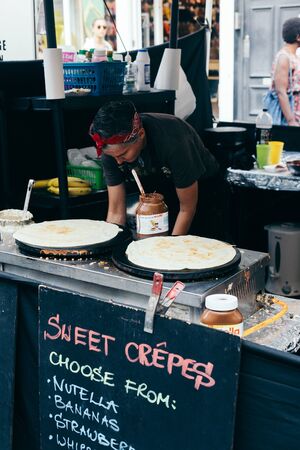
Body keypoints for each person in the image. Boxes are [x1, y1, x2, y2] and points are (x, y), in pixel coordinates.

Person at [89, 100, 219, 236]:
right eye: (113, 157)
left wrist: (171, 249)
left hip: (202, 190)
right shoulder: (111, 151)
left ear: (141, 134)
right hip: (160, 191)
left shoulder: (173, 141)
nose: (119, 162)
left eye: (123, 154)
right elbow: (115, 211)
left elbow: (187, 209)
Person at [267, 17, 300, 126]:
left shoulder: (294, 56)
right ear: (298, 37)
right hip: (288, 117)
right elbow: (281, 91)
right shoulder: (284, 57)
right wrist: (291, 121)